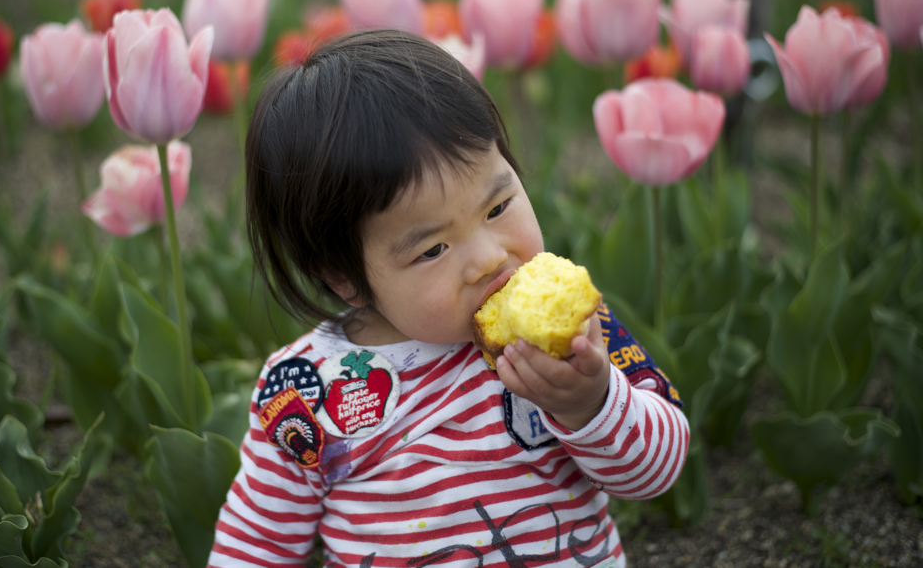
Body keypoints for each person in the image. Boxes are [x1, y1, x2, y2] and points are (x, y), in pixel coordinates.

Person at [208, 30, 689, 568]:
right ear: (344, 277)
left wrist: (589, 404)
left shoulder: (575, 340)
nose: (487, 258)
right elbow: (255, 546)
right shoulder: (304, 393)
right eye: (433, 248)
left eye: (497, 206)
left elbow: (658, 472)